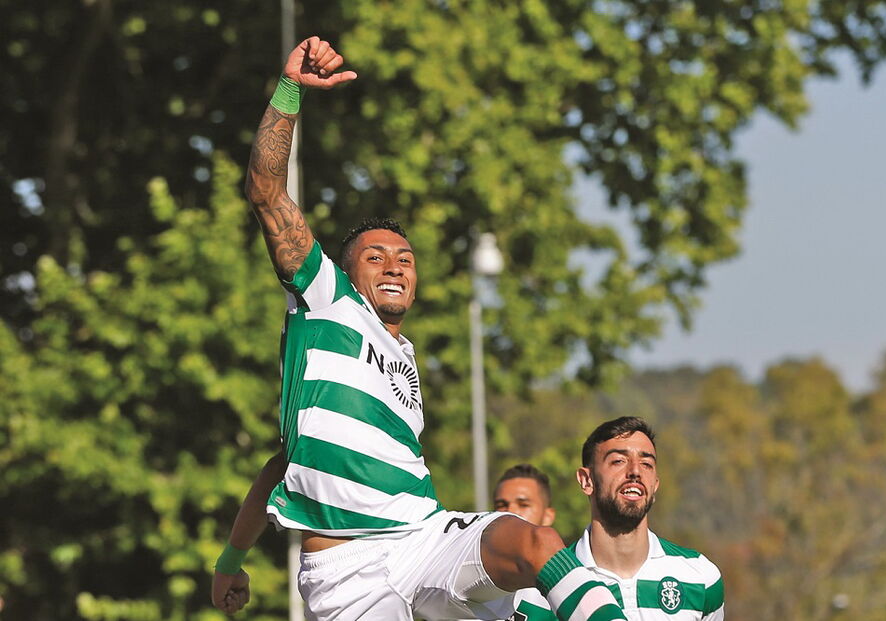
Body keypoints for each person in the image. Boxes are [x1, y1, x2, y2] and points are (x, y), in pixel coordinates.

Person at [210, 35, 631, 621]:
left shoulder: (403, 363)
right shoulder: (328, 301)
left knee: (532, 545)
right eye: (376, 255)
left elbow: (289, 461)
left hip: (424, 537)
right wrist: (290, 92)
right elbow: (265, 190)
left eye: (405, 259)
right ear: (345, 271)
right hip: (347, 574)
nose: (394, 264)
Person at [507, 417, 725, 620]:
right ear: (586, 480)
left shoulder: (701, 576)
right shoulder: (540, 593)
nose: (635, 472)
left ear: (655, 485)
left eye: (646, 464)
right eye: (619, 461)